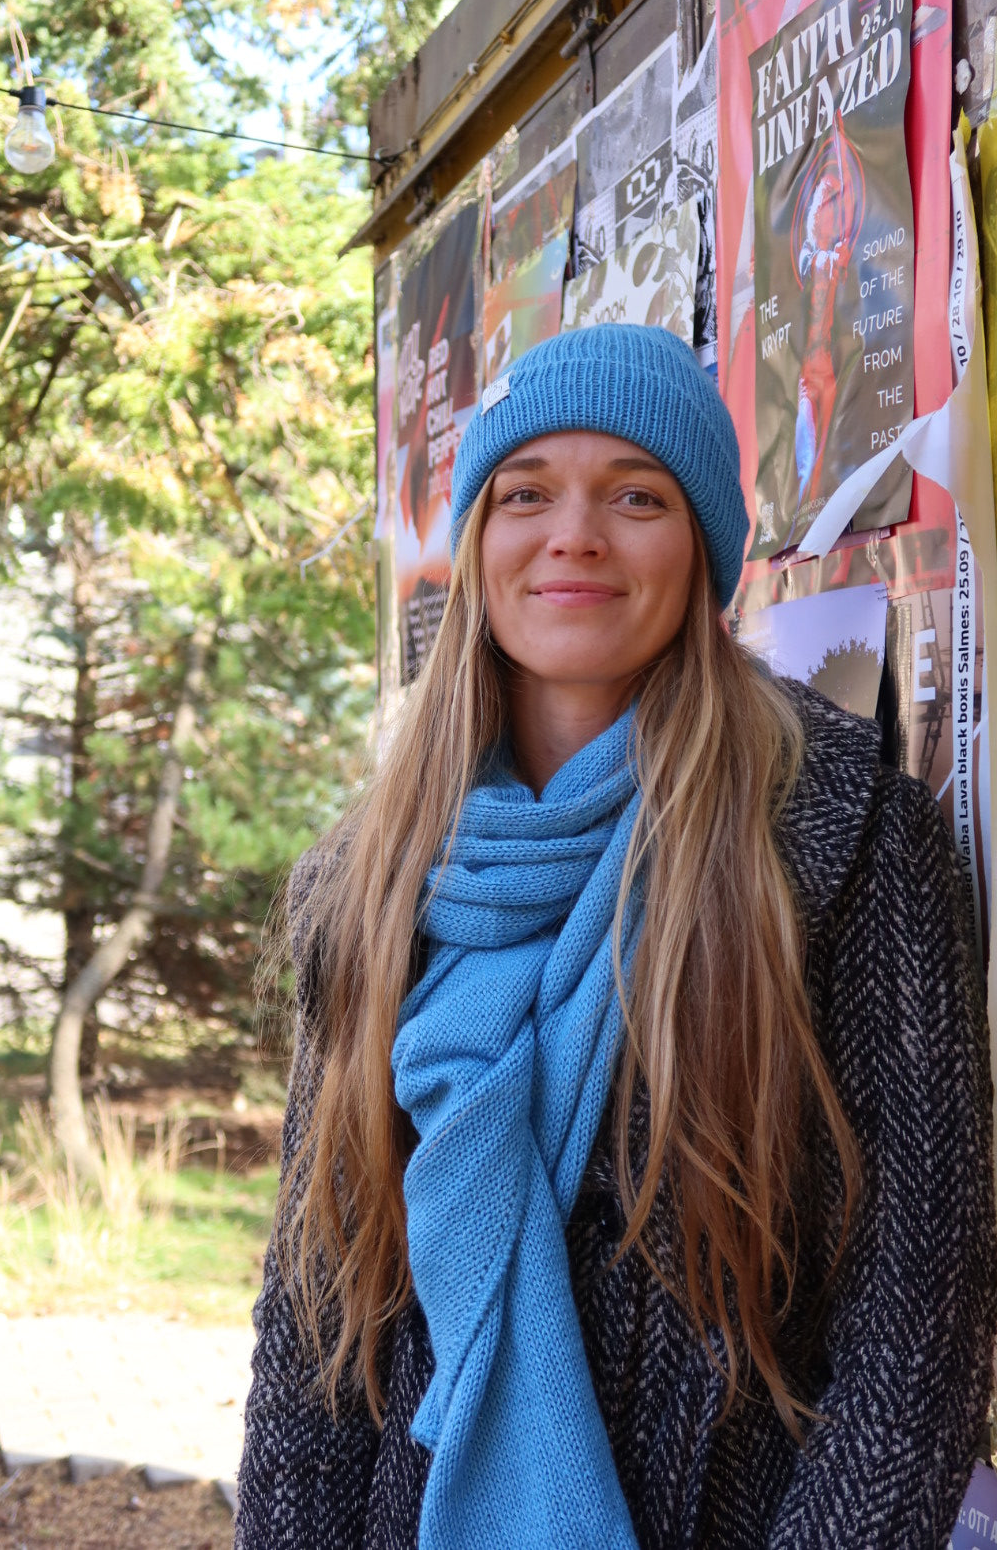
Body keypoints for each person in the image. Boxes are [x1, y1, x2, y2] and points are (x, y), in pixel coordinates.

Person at [235, 323, 997, 1550]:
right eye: (525, 494)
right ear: (478, 541)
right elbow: (316, 1328)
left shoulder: (844, 837)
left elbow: (916, 1336)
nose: (575, 535)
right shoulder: (370, 876)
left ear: (702, 547)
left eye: (636, 496)